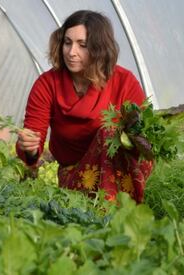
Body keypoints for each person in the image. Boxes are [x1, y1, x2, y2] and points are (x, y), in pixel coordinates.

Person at [16, 10, 153, 203]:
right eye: (67, 42)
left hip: (122, 175)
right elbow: (33, 139)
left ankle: (122, 211)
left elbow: (147, 134)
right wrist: (29, 147)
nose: (71, 52)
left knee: (110, 133)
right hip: (77, 176)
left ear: (99, 49)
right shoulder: (47, 84)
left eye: (82, 45)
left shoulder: (124, 82)